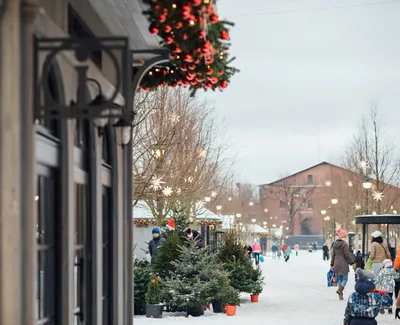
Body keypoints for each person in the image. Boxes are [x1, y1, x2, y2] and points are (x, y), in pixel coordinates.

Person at [331, 228, 355, 300]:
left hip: (336, 262)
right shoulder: (345, 244)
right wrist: (352, 262)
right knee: (345, 279)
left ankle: (340, 294)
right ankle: (340, 290)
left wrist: (332, 264)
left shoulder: (335, 244)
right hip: (343, 263)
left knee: (339, 279)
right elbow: (347, 255)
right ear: (344, 236)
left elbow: (333, 255)